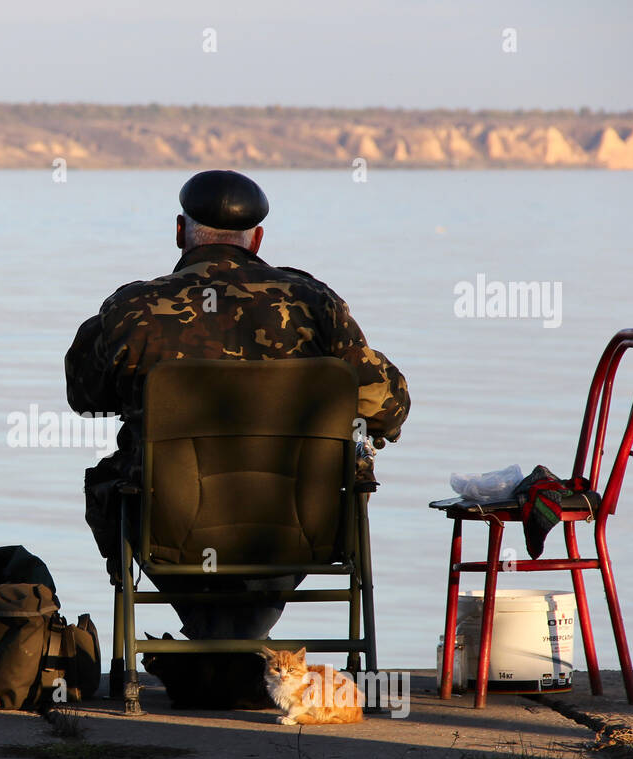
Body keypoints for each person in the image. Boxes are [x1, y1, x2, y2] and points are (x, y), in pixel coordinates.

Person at [65, 169, 410, 642]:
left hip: (170, 523)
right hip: (300, 525)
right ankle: (236, 641)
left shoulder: (133, 309)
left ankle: (219, 640)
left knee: (112, 480)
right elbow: (388, 406)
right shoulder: (314, 303)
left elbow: (85, 398)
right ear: (258, 238)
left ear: (181, 231)